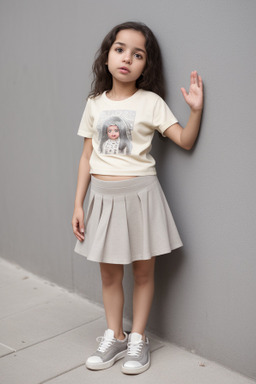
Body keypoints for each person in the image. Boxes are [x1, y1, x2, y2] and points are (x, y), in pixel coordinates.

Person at [72, 21, 203, 375]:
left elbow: (185, 141)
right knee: (110, 275)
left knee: (144, 273)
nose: (127, 58)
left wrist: (195, 111)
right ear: (107, 56)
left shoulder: (151, 102)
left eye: (138, 54)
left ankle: (138, 339)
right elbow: (87, 156)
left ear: (146, 65)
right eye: (120, 49)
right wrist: (78, 204)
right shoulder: (94, 103)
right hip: (102, 198)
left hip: (141, 196)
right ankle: (114, 334)